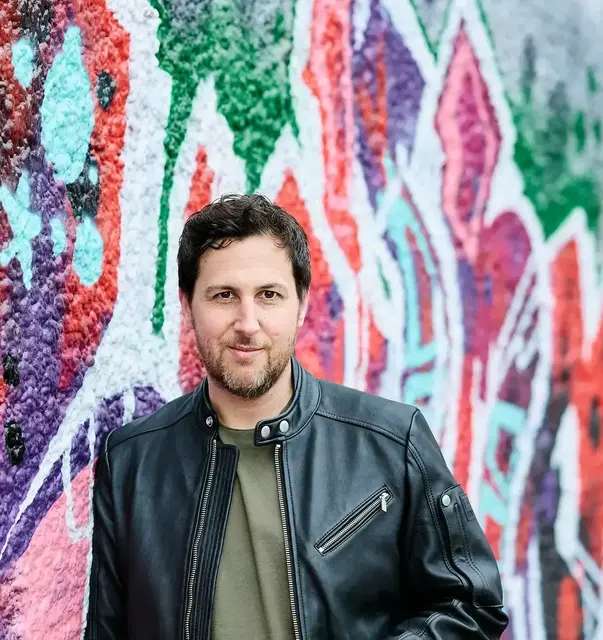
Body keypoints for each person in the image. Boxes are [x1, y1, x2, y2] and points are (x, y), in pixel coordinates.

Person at [85, 194, 508, 639]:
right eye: (224, 295)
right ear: (188, 305)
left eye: (269, 295)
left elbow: (471, 602)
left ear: (301, 303)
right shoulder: (131, 463)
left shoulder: (390, 442)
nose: (247, 322)